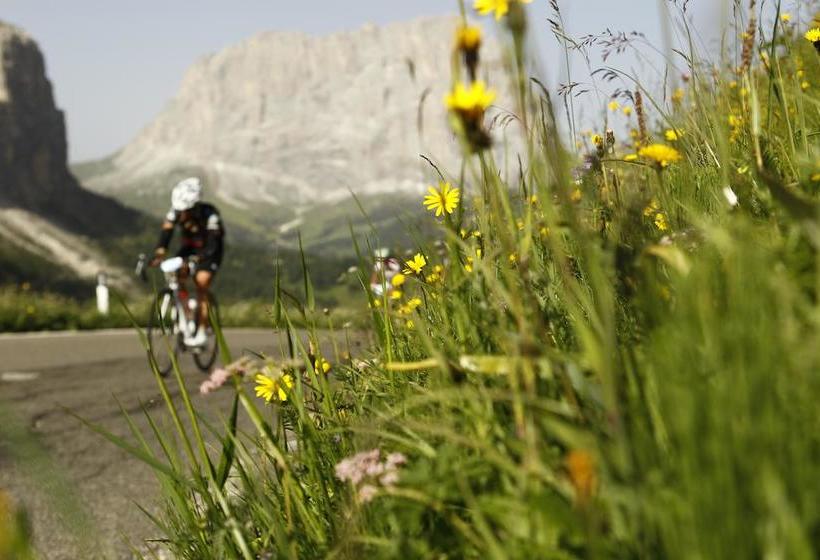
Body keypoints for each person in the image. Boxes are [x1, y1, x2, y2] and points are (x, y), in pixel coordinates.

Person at [151, 177, 225, 347]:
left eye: (186, 211)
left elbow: (214, 242)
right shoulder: (176, 211)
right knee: (177, 275)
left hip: (210, 250)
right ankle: (186, 312)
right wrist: (159, 252)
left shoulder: (210, 214)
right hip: (189, 247)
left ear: (194, 207)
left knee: (202, 282)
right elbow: (166, 233)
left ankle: (201, 330)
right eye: (179, 211)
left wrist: (200, 258)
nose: (181, 215)